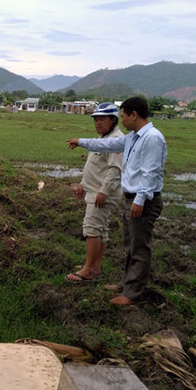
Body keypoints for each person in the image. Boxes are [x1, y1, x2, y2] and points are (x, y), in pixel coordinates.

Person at [67, 97, 167, 305]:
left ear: (134, 114)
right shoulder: (132, 137)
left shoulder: (152, 138)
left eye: (122, 116)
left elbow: (150, 172)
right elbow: (107, 144)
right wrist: (81, 141)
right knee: (130, 245)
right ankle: (125, 284)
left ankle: (132, 294)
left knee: (139, 248)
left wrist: (139, 201)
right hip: (132, 198)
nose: (122, 121)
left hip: (144, 200)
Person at [67, 103, 124, 283]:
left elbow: (115, 170)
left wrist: (104, 191)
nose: (97, 123)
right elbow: (95, 166)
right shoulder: (103, 138)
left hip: (102, 193)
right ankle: (95, 266)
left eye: (102, 119)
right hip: (94, 190)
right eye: (96, 119)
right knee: (101, 229)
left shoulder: (116, 140)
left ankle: (88, 270)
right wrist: (83, 184)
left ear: (113, 120)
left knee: (91, 229)